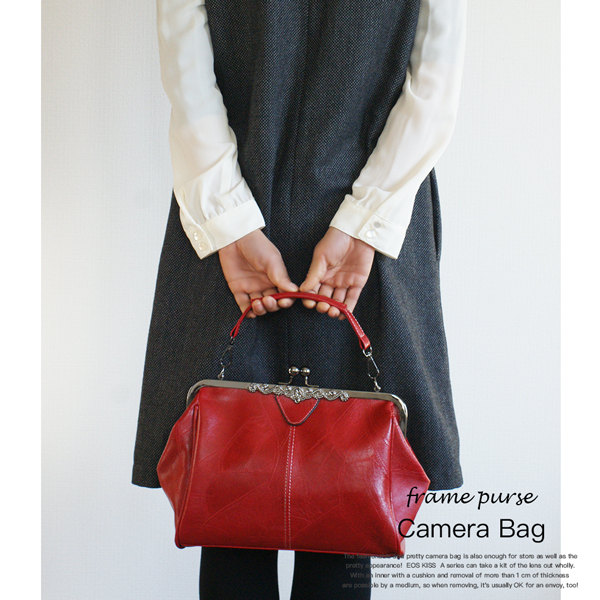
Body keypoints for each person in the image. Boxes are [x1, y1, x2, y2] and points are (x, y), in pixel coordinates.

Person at [133, 0, 468, 598]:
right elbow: (434, 78)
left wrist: (227, 215)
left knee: (231, 488)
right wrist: (366, 220)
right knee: (348, 492)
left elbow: (185, 57)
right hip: (368, 217)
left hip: (238, 200)